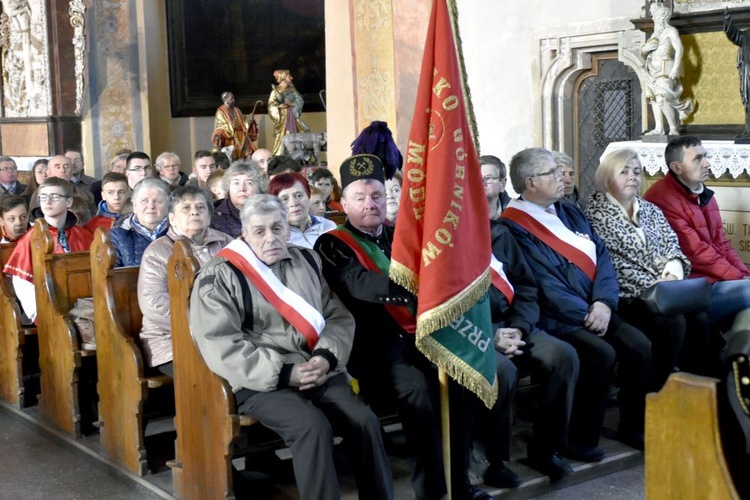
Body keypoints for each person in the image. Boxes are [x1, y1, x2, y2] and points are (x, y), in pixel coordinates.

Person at [190, 194, 393, 499]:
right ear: (244, 233)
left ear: (288, 229)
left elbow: (336, 316)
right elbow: (221, 344)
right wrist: (285, 373)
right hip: (261, 381)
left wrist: (326, 357)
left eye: (277, 228)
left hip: (318, 368)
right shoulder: (219, 275)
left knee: (364, 420)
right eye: (259, 231)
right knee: (312, 427)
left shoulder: (307, 260)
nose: (270, 238)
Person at [315, 155, 450, 500]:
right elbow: (361, 285)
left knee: (460, 380)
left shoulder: (401, 236)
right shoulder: (331, 244)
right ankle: (432, 490)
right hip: (373, 351)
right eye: (359, 198)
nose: (370, 204)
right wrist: (421, 286)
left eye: (376, 195)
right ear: (343, 203)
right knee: (419, 389)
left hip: (418, 339)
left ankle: (458, 481)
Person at [500, 147, 652, 451]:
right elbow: (542, 285)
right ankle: (580, 438)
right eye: (553, 173)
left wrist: (605, 303)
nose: (563, 178)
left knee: (640, 346)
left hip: (596, 307)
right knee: (600, 353)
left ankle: (632, 427)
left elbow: (602, 255)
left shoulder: (569, 210)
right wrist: (588, 312)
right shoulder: (512, 225)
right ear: (531, 182)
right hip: (556, 318)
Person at [586, 149, 720, 379]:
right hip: (627, 296)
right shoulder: (594, 214)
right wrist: (654, 283)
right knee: (672, 322)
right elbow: (612, 264)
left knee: (698, 317)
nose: (632, 177)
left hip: (665, 288)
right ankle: (657, 388)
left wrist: (671, 275)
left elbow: (672, 245)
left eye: (637, 172)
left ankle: (697, 389)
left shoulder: (650, 209)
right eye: (624, 172)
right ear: (607, 176)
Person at [644, 136, 750, 326]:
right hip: (694, 286)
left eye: (705, 156)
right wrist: (739, 277)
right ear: (677, 167)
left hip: (716, 280)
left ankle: (733, 354)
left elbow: (722, 243)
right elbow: (696, 253)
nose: (707, 163)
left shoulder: (702, 192)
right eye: (697, 159)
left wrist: (743, 274)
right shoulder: (662, 198)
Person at [139, 185, 231, 376]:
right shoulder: (158, 251)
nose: (194, 212)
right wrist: (208, 323)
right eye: (186, 208)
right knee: (216, 370)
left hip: (225, 333)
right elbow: (154, 305)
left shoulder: (227, 243)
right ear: (172, 218)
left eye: (200, 207)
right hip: (171, 339)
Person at [3, 177, 93, 322]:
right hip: (48, 309)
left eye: (55, 196)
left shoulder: (83, 236)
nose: (48, 201)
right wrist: (39, 314)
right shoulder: (32, 237)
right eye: (43, 197)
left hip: (84, 305)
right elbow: (22, 282)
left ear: (68, 202)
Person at [641, 1, 694, 136]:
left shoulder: (670, 31)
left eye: (655, 15)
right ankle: (659, 128)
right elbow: (644, 52)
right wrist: (645, 49)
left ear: (662, 16)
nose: (653, 18)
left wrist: (676, 67)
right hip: (651, 70)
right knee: (653, 98)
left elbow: (679, 48)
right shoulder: (654, 34)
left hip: (665, 69)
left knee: (662, 98)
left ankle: (673, 128)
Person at [109, 178, 170, 267]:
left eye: (157, 201)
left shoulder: (179, 231)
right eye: (144, 201)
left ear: (168, 206)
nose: (151, 206)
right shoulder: (118, 235)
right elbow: (114, 276)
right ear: (135, 206)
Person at [268, 172, 335, 249]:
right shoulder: (276, 237)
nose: (293, 203)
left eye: (299, 195)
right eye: (285, 199)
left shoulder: (328, 226)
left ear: (308, 197)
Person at [210, 160, 267, 238]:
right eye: (236, 183)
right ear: (228, 187)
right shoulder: (213, 217)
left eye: (249, 183)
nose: (242, 189)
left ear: (260, 187)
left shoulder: (270, 211)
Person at [28, 155, 95, 214]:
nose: (63, 170)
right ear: (48, 173)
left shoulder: (86, 194)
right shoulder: (39, 195)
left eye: (66, 167)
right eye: (58, 167)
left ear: (71, 172)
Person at [268, 70, 309, 156]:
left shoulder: (292, 89)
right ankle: (282, 155)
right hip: (282, 118)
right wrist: (279, 107)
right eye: (289, 76)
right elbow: (271, 105)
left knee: (300, 134)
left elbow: (299, 99)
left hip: (293, 116)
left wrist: (292, 104)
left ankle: (296, 155)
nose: (291, 78)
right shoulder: (276, 90)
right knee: (284, 136)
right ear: (283, 78)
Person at [725, 8, 750, 140]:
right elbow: (733, 34)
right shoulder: (746, 35)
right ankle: (749, 131)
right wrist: (728, 21)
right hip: (748, 73)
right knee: (749, 103)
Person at [211, 91, 256, 160]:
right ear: (226, 99)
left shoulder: (236, 109)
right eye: (231, 98)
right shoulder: (220, 112)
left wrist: (249, 118)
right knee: (233, 155)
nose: (233, 100)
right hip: (230, 137)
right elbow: (220, 126)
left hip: (241, 135)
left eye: (233, 98)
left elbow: (243, 119)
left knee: (247, 152)